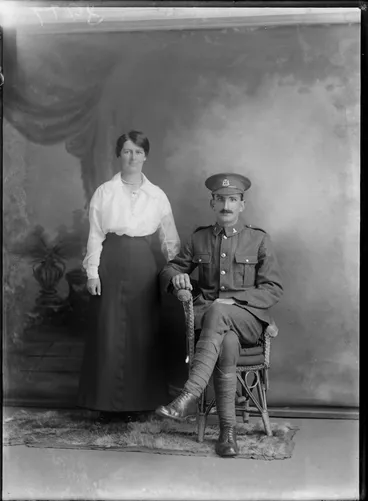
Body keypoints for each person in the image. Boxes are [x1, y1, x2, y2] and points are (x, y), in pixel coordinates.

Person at [156, 173, 283, 457]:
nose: (227, 205)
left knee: (217, 310)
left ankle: (189, 395)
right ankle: (228, 434)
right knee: (226, 344)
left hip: (249, 320)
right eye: (221, 199)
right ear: (212, 203)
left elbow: (273, 289)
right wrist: (176, 278)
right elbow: (170, 268)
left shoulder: (258, 239)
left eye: (233, 200)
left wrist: (233, 301)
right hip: (218, 331)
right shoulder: (199, 238)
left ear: (242, 205)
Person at [78, 130, 181, 425]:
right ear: (119, 155)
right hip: (110, 262)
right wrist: (92, 272)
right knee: (109, 332)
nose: (132, 157)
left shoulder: (157, 195)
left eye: (138, 151)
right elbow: (96, 235)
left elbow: (170, 240)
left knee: (141, 333)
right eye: (126, 151)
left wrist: (176, 273)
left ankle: (141, 401)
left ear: (146, 156)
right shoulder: (104, 192)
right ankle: (106, 404)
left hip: (143, 267)